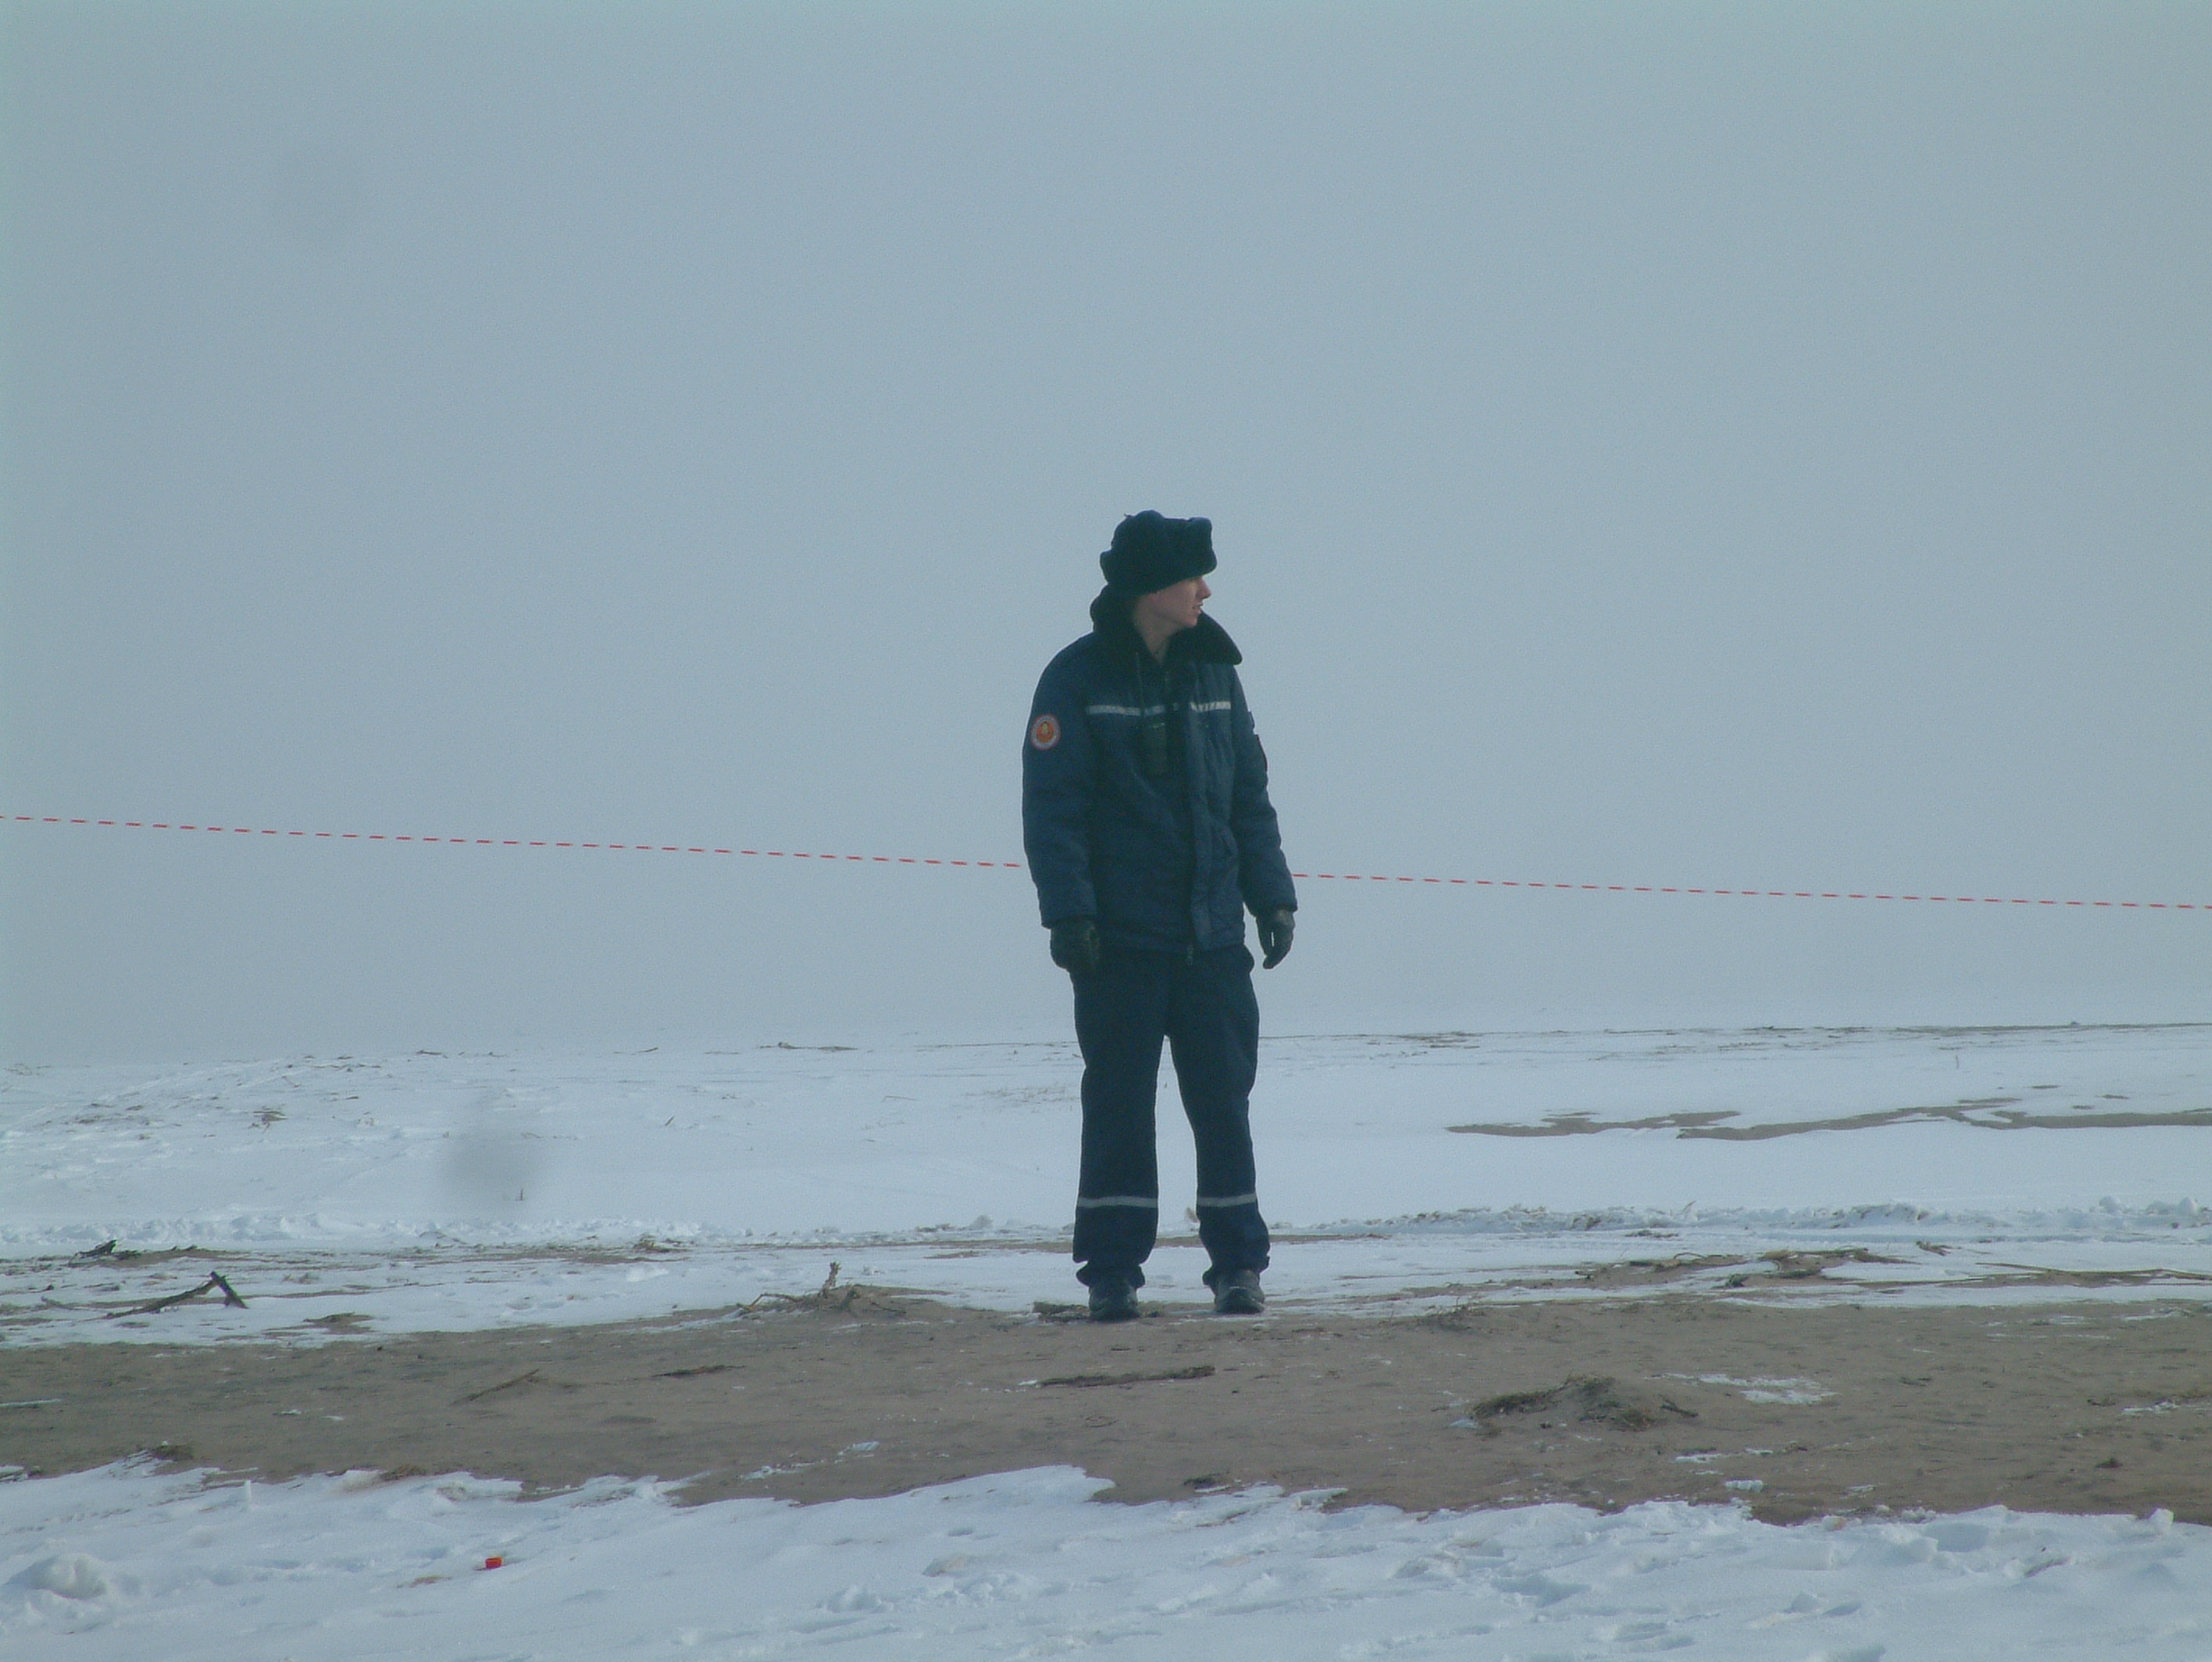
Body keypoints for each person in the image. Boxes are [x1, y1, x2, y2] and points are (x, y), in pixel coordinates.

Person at [1022, 511, 1297, 1321]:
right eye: (1192, 578)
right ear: (1152, 589)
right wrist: (1070, 915)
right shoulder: (1075, 681)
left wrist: (1272, 895)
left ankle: (1238, 1266)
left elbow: (1249, 797)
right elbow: (1053, 810)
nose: (1205, 591)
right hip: (1119, 946)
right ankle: (1112, 1273)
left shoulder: (1217, 674)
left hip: (1212, 940)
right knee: (1117, 1107)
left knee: (1223, 1105)